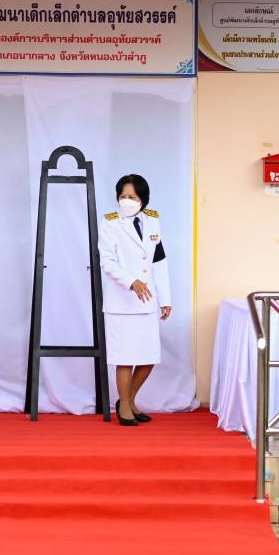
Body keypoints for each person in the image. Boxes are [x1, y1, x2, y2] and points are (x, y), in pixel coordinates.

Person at [98, 174, 172, 427]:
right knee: (125, 358)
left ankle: (128, 399)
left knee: (148, 357)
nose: (126, 201)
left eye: (132, 197)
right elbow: (107, 261)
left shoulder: (153, 221)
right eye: (122, 196)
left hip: (147, 301)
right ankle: (126, 406)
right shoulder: (110, 224)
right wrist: (131, 282)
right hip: (121, 302)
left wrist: (166, 299)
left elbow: (158, 262)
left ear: (143, 199)